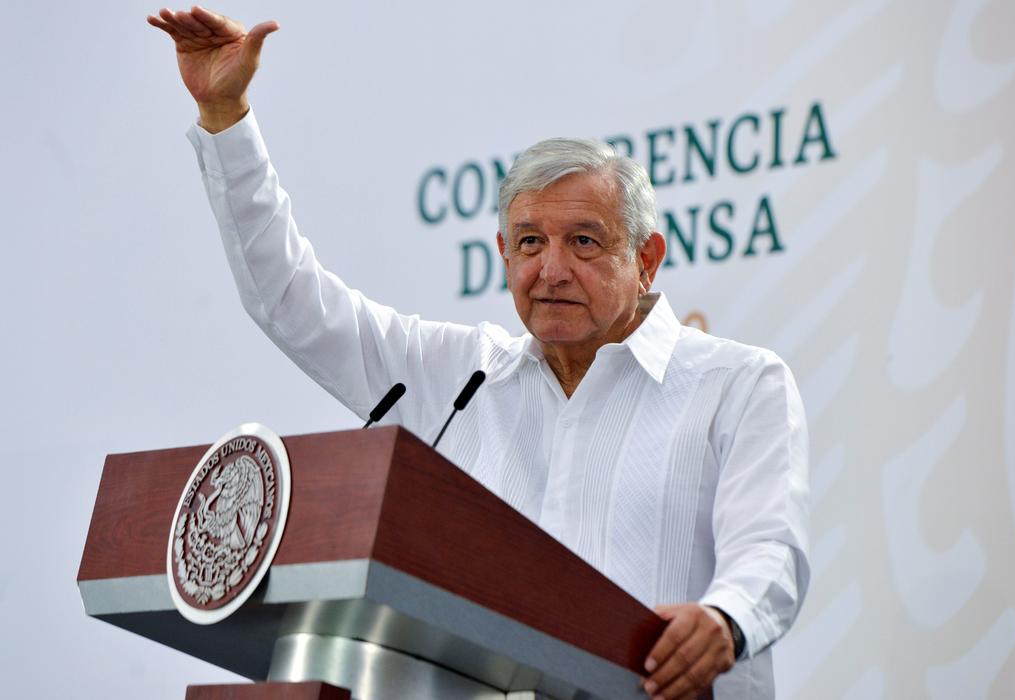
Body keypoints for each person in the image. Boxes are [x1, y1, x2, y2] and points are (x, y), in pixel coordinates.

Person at [149, 7, 810, 699]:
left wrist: (725, 619)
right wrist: (224, 116)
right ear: (503, 254)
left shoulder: (738, 384)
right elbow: (290, 299)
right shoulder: (460, 380)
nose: (551, 269)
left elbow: (771, 550)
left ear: (646, 260)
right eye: (529, 243)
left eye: (584, 242)